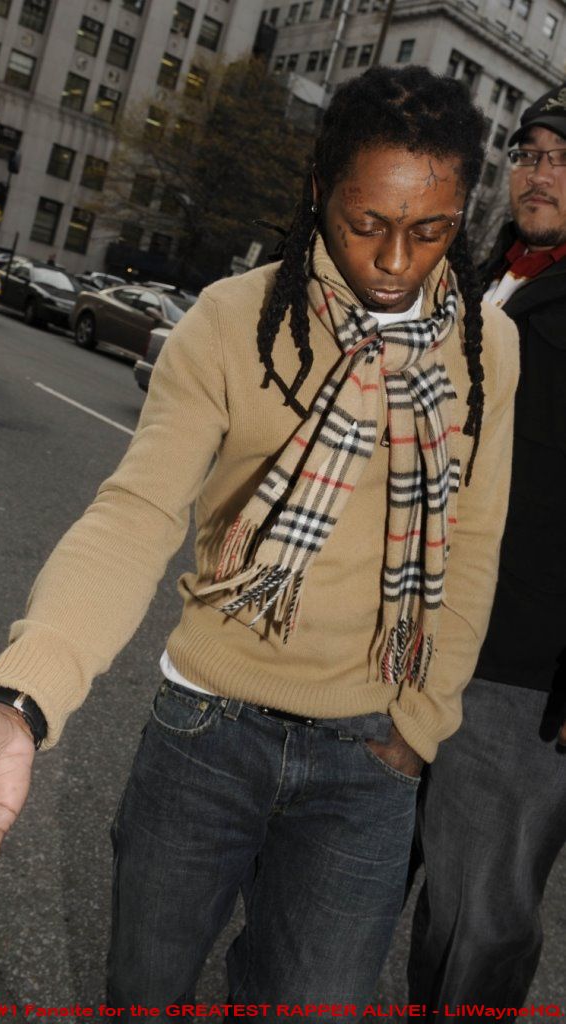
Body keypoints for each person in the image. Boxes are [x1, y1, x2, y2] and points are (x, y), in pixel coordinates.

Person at [0, 66, 519, 1007]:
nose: (392, 261)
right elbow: (135, 515)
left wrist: (420, 730)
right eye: (365, 223)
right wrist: (22, 700)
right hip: (206, 732)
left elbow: (475, 539)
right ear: (319, 194)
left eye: (430, 232)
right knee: (145, 991)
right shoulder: (231, 321)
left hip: (370, 755)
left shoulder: (485, 350)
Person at [408, 83, 566, 1008]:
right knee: (351, 867)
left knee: (479, 919)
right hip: (413, 637)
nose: (539, 171)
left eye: (562, 157)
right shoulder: (482, 283)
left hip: (521, 681)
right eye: (529, 152)